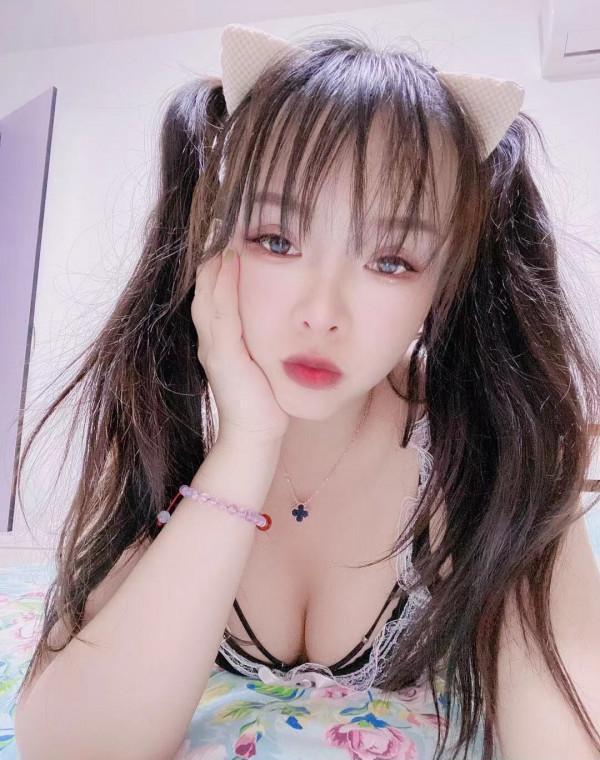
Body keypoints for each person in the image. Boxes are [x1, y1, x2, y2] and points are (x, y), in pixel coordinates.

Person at [12, 22, 600, 760]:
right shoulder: (159, 419)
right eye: (276, 240)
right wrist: (246, 445)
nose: (323, 312)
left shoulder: (492, 450)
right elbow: (71, 746)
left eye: (391, 260)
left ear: (444, 284)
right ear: (212, 239)